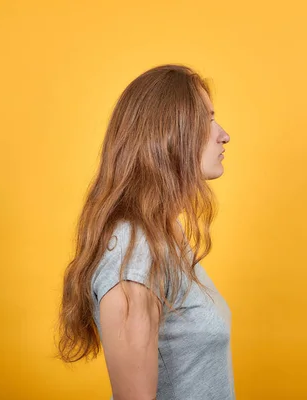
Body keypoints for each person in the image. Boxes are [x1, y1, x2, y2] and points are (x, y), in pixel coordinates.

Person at [56, 64, 234, 400]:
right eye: (208, 120)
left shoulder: (166, 236)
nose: (224, 134)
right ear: (169, 135)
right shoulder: (134, 250)